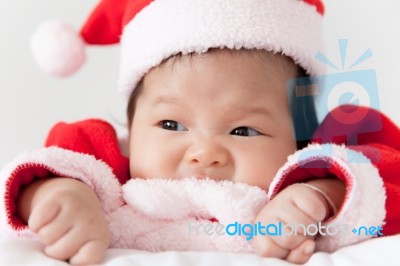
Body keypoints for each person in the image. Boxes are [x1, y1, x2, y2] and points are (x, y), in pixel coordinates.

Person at [1, 0, 400, 265]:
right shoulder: (100, 165)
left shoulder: (316, 170)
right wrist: (60, 197)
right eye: (171, 125)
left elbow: (383, 190)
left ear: (298, 138)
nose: (206, 153)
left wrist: (323, 195)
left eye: (244, 130)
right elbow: (40, 173)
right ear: (132, 128)